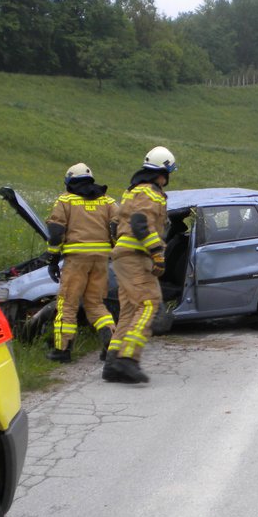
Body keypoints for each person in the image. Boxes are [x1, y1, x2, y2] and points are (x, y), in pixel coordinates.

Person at [103, 146, 177, 384]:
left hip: (124, 254)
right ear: (163, 172)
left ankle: (113, 363)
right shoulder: (151, 192)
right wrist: (157, 252)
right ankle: (128, 359)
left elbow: (115, 225)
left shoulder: (132, 191)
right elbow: (140, 222)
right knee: (148, 304)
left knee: (129, 310)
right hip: (136, 255)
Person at [42, 163, 119, 363]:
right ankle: (111, 343)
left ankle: (62, 350)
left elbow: (56, 232)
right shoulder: (108, 201)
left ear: (69, 181)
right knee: (95, 303)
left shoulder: (65, 201)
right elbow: (117, 228)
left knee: (67, 303)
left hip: (76, 260)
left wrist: (52, 258)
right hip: (101, 261)